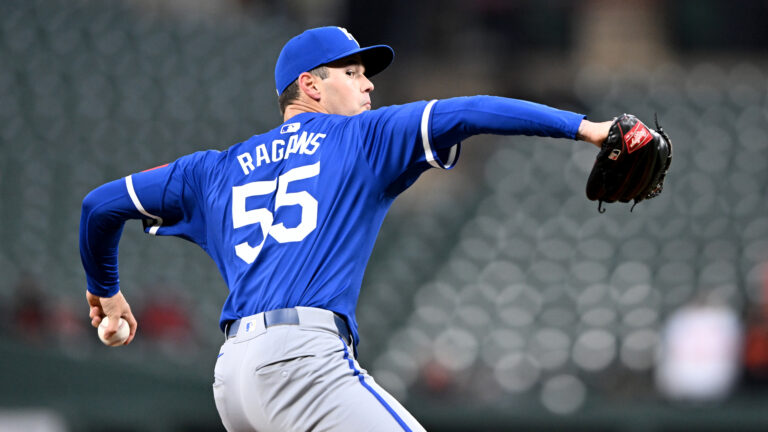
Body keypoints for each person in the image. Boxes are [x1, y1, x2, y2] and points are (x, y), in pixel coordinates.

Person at [80, 26, 611, 431]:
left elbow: (99, 205)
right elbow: (472, 110)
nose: (368, 82)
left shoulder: (211, 169)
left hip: (233, 381)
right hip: (301, 359)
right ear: (310, 86)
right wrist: (584, 128)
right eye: (351, 73)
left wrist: (105, 290)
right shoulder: (361, 136)